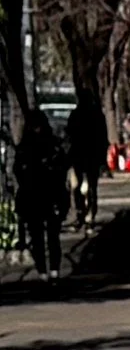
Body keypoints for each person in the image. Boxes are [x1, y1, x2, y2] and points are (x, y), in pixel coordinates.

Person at [14, 110, 68, 276]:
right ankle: (47, 270)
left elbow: (18, 170)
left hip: (41, 195)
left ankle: (49, 270)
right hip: (43, 195)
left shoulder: (28, 147)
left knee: (47, 234)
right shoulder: (49, 144)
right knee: (43, 235)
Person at [66, 89, 109, 229]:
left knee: (82, 186)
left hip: (85, 155)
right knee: (88, 186)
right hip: (87, 155)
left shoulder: (80, 115)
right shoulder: (94, 115)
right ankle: (87, 212)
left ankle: (84, 213)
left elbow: (70, 135)